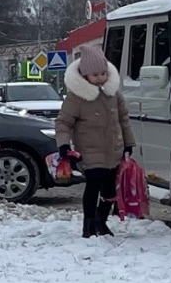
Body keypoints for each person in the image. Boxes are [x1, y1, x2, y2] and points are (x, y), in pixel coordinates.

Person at [55, 44, 136, 238]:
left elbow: (123, 119)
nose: (101, 78)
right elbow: (64, 122)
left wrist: (128, 142)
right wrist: (64, 145)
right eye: (95, 75)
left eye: (103, 73)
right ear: (85, 76)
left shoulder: (113, 94)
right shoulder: (77, 98)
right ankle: (88, 224)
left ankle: (102, 219)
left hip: (113, 151)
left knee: (110, 191)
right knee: (92, 187)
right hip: (89, 152)